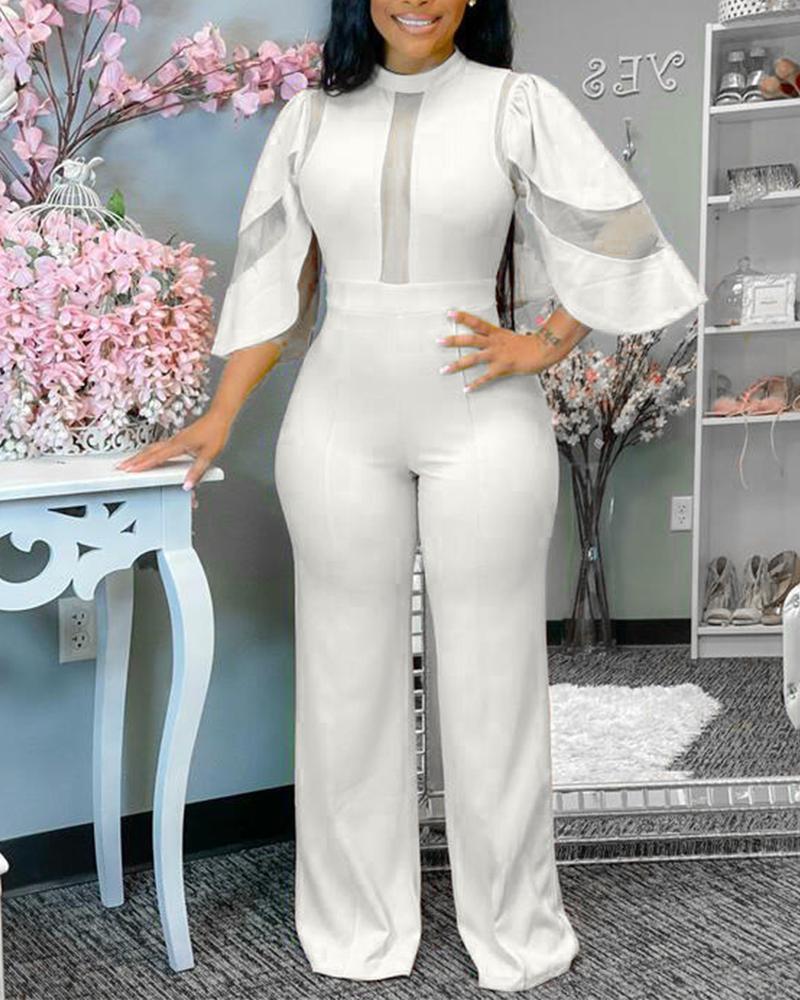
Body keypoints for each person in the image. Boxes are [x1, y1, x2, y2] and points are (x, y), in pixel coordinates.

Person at [116, 0, 707, 990]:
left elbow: (617, 234)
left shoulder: (515, 104)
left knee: (494, 684)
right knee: (343, 684)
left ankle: (513, 930)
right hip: (336, 424)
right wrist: (220, 415)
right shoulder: (309, 119)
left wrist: (545, 344)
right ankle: (356, 925)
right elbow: (279, 284)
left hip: (485, 418)